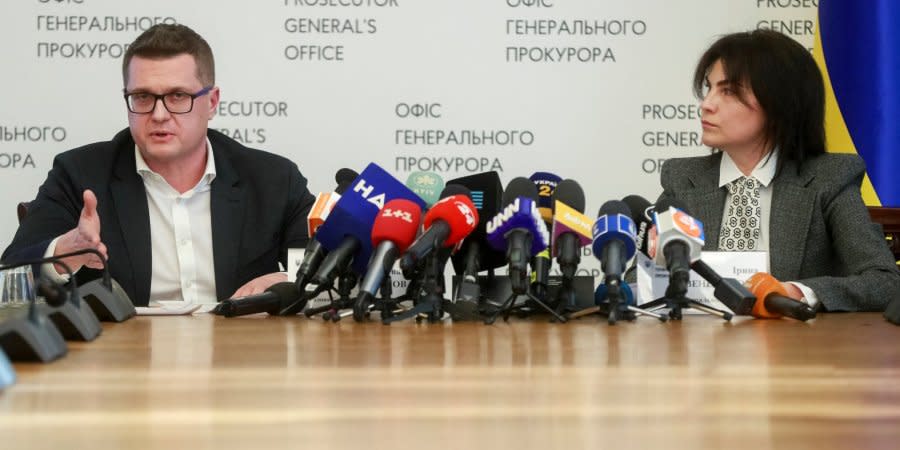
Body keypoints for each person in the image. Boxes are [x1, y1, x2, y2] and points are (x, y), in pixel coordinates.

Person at [2, 24, 316, 307]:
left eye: (178, 96)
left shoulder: (273, 179)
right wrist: (66, 252)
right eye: (142, 97)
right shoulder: (80, 174)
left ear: (212, 102)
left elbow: (323, 267)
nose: (159, 114)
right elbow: (10, 276)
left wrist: (288, 279)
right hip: (122, 360)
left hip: (239, 358)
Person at [657, 29, 900, 312]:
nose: (707, 105)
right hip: (699, 346)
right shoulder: (683, 180)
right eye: (709, 88)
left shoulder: (828, 179)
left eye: (728, 91)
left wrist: (795, 292)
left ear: (778, 103)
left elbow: (884, 281)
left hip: (795, 348)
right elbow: (641, 278)